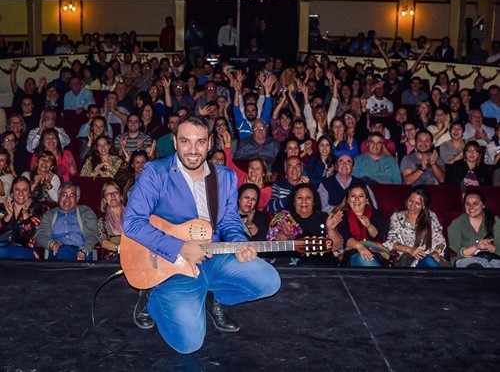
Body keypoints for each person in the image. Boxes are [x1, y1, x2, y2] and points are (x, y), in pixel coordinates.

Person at [123, 114, 280, 354]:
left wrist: (240, 243)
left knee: (269, 280)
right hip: (171, 264)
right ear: (175, 142)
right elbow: (133, 223)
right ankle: (153, 296)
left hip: (213, 256)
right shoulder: (156, 172)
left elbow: (229, 221)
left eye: (200, 142)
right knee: (189, 344)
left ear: (210, 143)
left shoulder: (224, 176)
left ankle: (212, 294)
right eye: (185, 141)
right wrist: (180, 247)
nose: (193, 150)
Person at [267, 183, 343, 264]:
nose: (304, 201)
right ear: (293, 201)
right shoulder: (283, 217)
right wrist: (285, 235)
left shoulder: (324, 218)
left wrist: (331, 230)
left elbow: (336, 248)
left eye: (308, 198)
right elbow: (273, 245)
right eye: (300, 198)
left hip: (321, 265)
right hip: (290, 265)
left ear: (314, 201)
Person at [34, 181, 99, 261]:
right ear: (59, 197)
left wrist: (83, 251)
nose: (67, 199)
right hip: (58, 253)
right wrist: (52, 244)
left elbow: (92, 235)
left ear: (77, 199)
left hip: (82, 252)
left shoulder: (86, 212)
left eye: (72, 195)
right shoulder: (49, 214)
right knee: (63, 251)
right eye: (64, 195)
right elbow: (40, 235)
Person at [384, 186, 446, 267]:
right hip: (408, 260)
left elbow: (439, 240)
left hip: (429, 257)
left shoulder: (430, 216)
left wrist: (436, 252)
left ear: (424, 206)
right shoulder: (397, 217)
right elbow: (392, 241)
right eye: (410, 201)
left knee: (429, 261)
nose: (412, 206)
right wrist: (410, 250)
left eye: (417, 204)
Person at [329, 183, 388, 267]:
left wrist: (369, 226)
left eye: (361, 196)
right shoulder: (341, 215)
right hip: (352, 253)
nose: (357, 199)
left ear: (366, 200)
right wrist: (359, 246)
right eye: (353, 196)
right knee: (363, 259)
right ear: (348, 200)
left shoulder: (377, 214)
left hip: (376, 252)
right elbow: (345, 237)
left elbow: (378, 236)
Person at [448, 189, 500, 268]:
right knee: (475, 266)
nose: (471, 207)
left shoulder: (495, 221)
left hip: (491, 260)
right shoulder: (457, 224)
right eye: (467, 204)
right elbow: (455, 254)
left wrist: (492, 248)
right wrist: (476, 247)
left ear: (483, 205)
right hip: (467, 262)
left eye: (475, 204)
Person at [0, 176, 43, 259]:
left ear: (29, 193)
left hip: (26, 249)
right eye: (17, 189)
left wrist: (25, 214)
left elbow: (32, 234)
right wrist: (8, 216)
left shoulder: (36, 209)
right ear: (12, 193)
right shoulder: (3, 208)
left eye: (25, 190)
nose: (21, 193)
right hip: (3, 246)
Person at [97, 181, 125, 257]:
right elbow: (103, 243)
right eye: (108, 194)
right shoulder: (102, 221)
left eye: (115, 192)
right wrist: (119, 248)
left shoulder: (132, 216)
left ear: (121, 196)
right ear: (104, 199)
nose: (112, 195)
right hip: (114, 257)